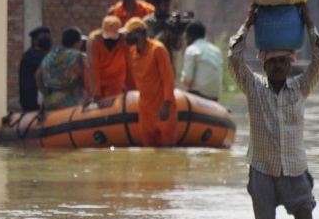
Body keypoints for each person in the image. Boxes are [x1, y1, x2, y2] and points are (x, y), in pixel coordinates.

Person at [228, 2, 319, 219]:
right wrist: (248, 23)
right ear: (264, 64)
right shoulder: (254, 88)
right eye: (273, 62)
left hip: (295, 170)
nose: (278, 66)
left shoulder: (301, 86)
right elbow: (234, 57)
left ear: (290, 63)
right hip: (262, 171)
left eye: (282, 61)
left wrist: (309, 23)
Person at [122, 17, 177, 147]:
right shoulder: (132, 52)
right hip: (145, 110)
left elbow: (168, 78)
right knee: (148, 152)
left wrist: (167, 104)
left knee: (167, 151)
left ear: (140, 33)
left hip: (162, 108)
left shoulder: (157, 49)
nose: (126, 38)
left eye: (129, 34)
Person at [35, 27, 88, 111]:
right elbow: (86, 77)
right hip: (73, 102)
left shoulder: (50, 56)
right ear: (78, 42)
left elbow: (38, 75)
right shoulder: (78, 57)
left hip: (51, 101)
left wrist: (45, 94)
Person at [88, 15, 135, 99]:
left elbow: (129, 65)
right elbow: (93, 68)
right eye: (108, 38)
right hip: (98, 78)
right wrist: (95, 93)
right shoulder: (93, 40)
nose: (110, 41)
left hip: (115, 81)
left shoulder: (124, 40)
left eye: (113, 38)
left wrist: (132, 88)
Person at [181, 21, 223, 102]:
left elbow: (188, 80)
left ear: (190, 36)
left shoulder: (191, 50)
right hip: (214, 97)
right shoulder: (216, 50)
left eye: (186, 35)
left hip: (198, 97)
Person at [19, 26, 52, 111]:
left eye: (48, 37)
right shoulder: (33, 56)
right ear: (35, 40)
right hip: (32, 98)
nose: (48, 40)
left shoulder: (37, 54)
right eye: (44, 37)